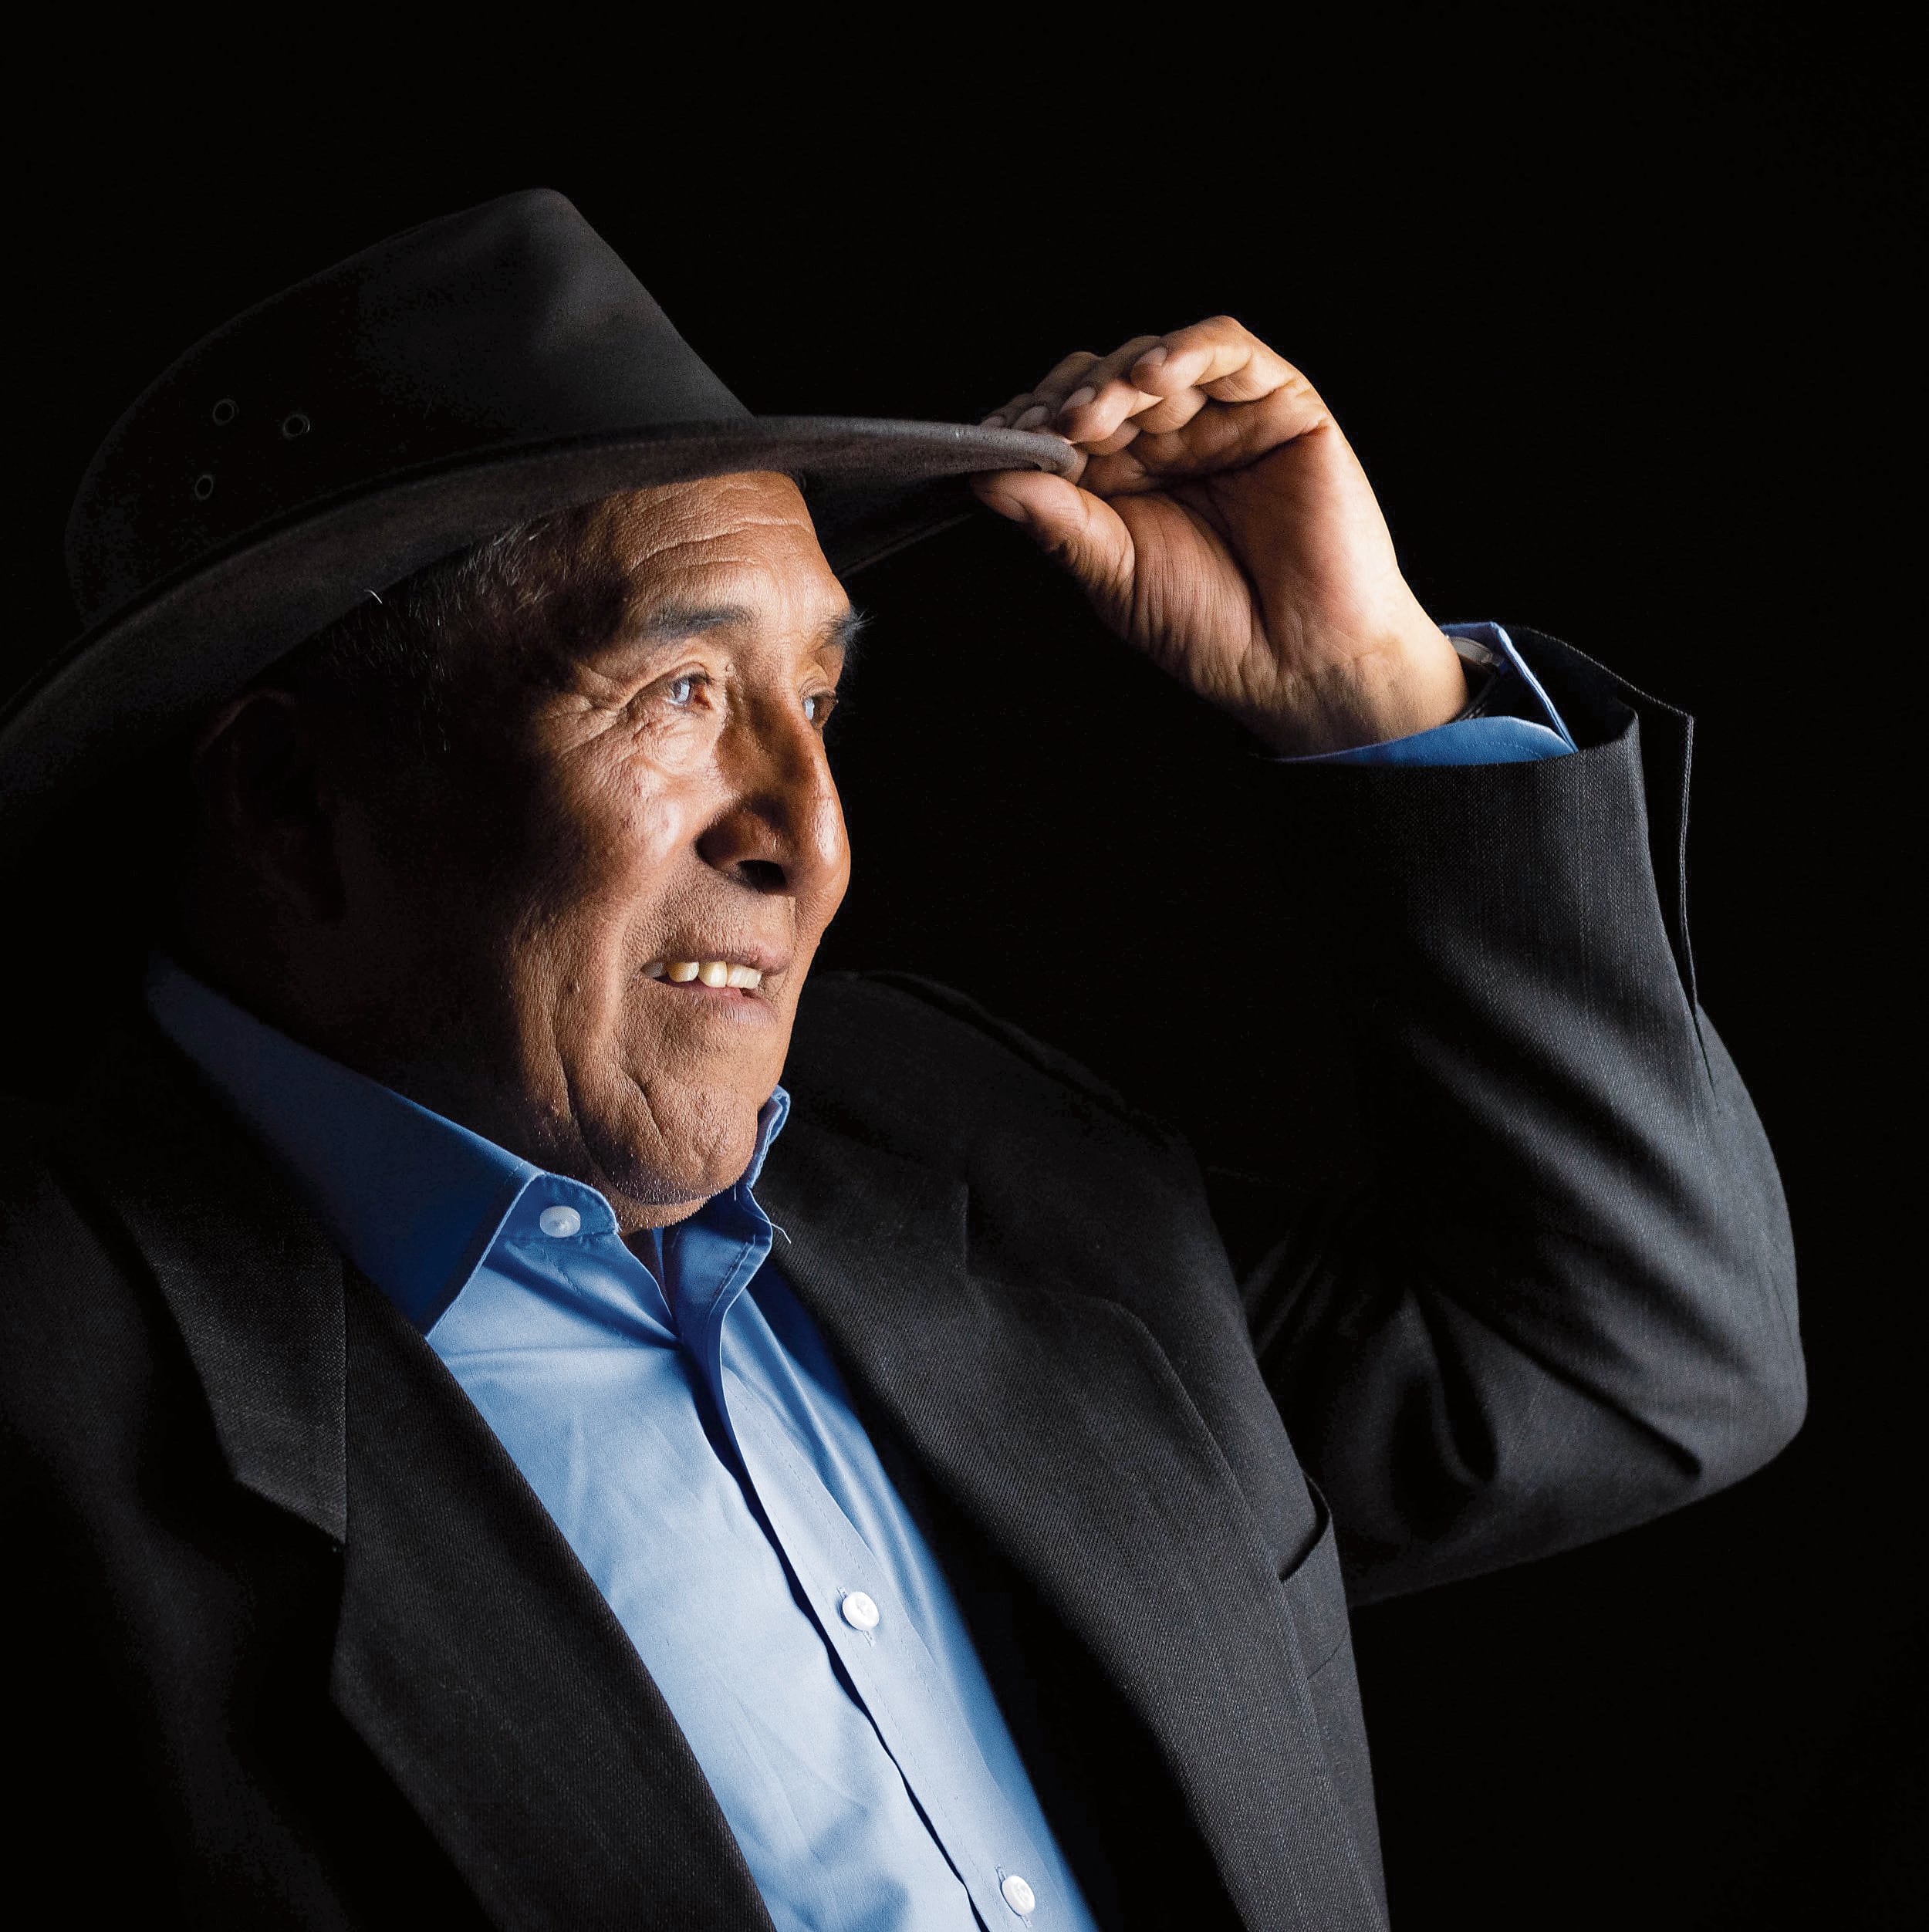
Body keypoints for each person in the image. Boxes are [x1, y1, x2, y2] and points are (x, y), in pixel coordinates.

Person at [0, 190, 1802, 1930]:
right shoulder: (57, 1400)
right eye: (681, 696)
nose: (810, 831)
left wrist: (1374, 694)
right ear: (292, 803)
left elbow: (1642, 1364)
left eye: (822, 697)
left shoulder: (960, 1143)